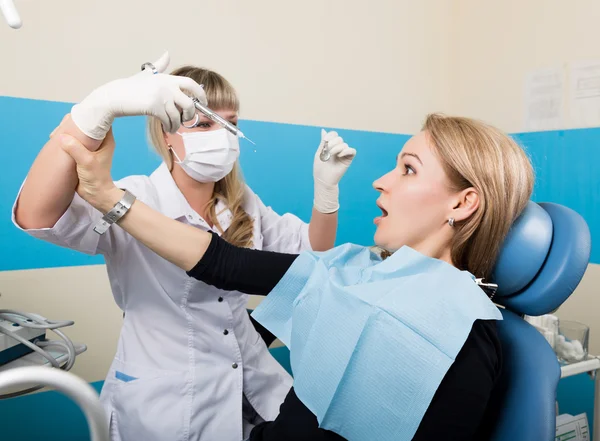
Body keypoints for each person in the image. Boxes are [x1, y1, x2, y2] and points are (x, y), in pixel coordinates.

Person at [57, 112, 534, 440]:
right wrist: (106, 196)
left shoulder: (461, 336)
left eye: (407, 170)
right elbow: (222, 262)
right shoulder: (357, 268)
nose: (381, 180)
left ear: (462, 202)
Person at [12, 55, 356, 441]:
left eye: (232, 124)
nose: (223, 136)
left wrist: (326, 190)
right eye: (206, 122)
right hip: (166, 403)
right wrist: (100, 107)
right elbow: (36, 215)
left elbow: (310, 253)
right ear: (167, 133)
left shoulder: (242, 205)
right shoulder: (136, 197)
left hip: (252, 389)